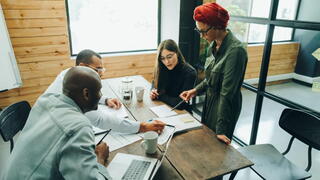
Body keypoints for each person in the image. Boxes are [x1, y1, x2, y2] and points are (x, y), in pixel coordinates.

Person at [2, 67, 111, 179]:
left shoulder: (46, 100)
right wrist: (100, 159)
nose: (100, 95)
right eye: (99, 91)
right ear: (86, 94)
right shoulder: (78, 127)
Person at [46, 49, 165, 134]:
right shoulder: (72, 86)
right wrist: (142, 126)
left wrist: (105, 100)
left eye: (101, 69)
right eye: (97, 69)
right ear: (82, 66)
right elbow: (100, 120)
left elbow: (87, 94)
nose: (99, 74)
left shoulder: (69, 74)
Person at [180, 3, 248, 145]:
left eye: (204, 31)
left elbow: (227, 93)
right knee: (205, 141)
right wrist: (195, 90)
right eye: (199, 31)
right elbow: (211, 78)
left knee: (217, 147)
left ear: (217, 26)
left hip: (225, 107)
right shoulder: (213, 45)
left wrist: (222, 129)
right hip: (210, 101)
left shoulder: (236, 51)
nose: (201, 36)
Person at [150, 39, 197, 113]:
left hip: (182, 113)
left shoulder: (190, 73)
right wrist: (153, 90)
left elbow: (180, 103)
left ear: (177, 53)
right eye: (163, 58)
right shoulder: (162, 66)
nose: (167, 62)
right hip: (163, 108)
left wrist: (159, 96)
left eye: (169, 57)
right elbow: (154, 82)